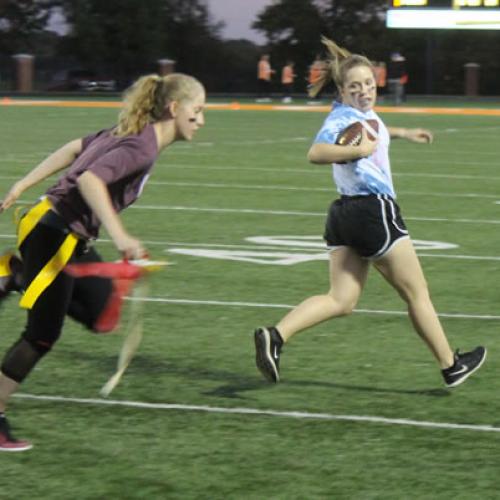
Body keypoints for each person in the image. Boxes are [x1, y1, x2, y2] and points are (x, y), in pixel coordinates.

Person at [253, 36, 486, 389]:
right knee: (417, 293)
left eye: (368, 83)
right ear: (342, 92)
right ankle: (450, 365)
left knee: (341, 299)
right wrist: (356, 151)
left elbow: (372, 129)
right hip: (373, 210)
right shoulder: (342, 120)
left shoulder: (358, 115)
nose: (364, 90)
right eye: (354, 87)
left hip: (343, 215)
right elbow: (315, 153)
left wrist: (403, 132)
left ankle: (276, 336)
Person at [0, 72, 206, 451]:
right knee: (41, 335)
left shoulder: (132, 133)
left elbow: (74, 147)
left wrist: (23, 185)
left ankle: (15, 275)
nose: (202, 119)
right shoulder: (141, 146)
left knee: (101, 313)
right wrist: (122, 237)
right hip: (55, 235)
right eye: (198, 110)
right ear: (175, 108)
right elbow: (89, 180)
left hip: (59, 230)